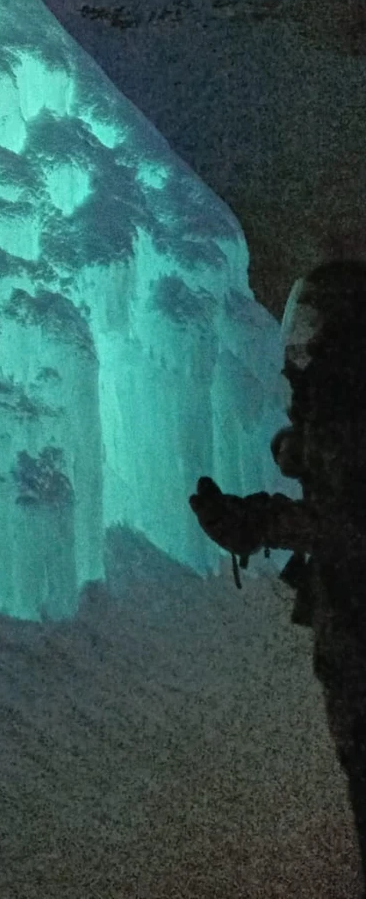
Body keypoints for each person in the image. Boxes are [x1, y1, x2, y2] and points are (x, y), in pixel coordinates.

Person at [190, 259, 366, 892]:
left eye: (314, 323)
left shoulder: (349, 410)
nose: (300, 337)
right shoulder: (333, 403)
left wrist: (261, 523)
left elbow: (345, 525)